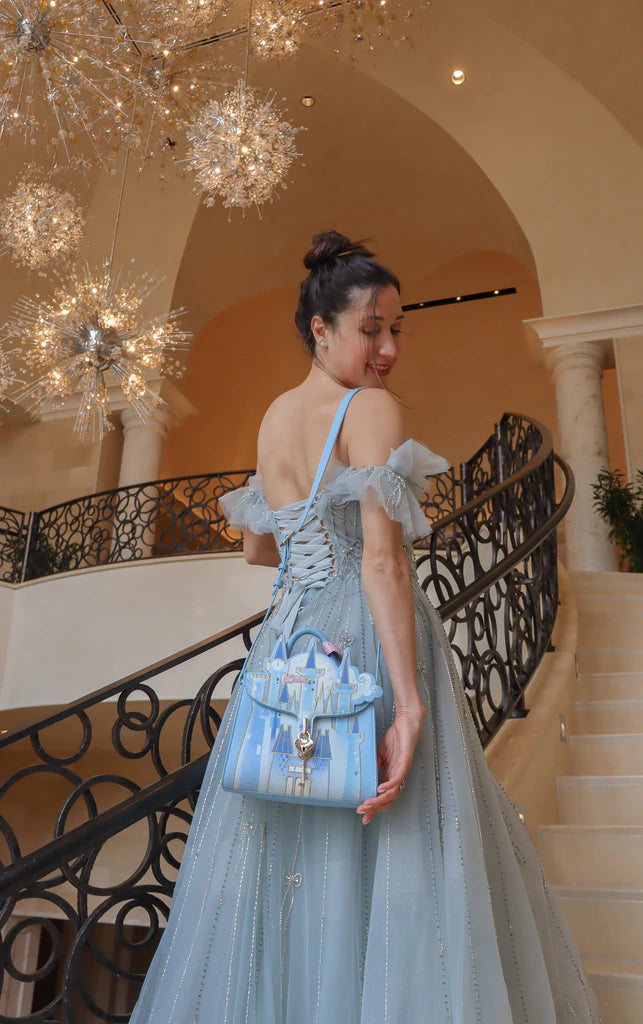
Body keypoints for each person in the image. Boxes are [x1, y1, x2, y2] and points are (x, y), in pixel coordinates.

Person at [128, 231, 601, 1023]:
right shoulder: (369, 408)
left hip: (288, 640)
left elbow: (257, 548)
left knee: (287, 856)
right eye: (370, 330)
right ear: (322, 330)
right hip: (362, 636)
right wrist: (409, 704)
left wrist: (311, 541)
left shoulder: (275, 417)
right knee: (394, 839)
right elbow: (381, 562)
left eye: (396, 330)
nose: (385, 349)